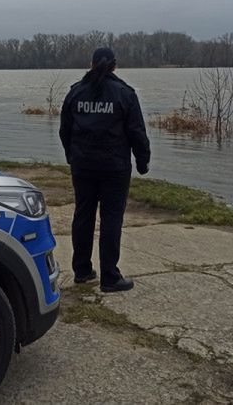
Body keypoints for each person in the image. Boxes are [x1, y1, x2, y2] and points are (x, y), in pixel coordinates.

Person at [59, 47, 150, 292]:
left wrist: (72, 156)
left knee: (83, 215)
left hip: (83, 166)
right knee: (111, 218)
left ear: (91, 63)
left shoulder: (75, 93)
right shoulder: (124, 94)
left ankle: (82, 270)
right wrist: (143, 161)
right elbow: (137, 132)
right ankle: (110, 277)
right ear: (114, 65)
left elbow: (64, 130)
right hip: (114, 168)